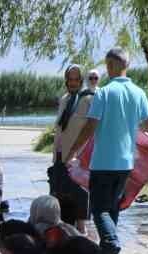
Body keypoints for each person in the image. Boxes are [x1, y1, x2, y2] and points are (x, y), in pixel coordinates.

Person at [64, 46, 148, 254]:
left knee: (99, 210)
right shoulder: (138, 93)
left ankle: (111, 242)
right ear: (127, 65)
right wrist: (127, 126)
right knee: (112, 209)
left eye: (107, 65)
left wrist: (73, 150)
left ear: (112, 65)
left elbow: (90, 126)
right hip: (126, 163)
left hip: (103, 162)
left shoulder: (104, 92)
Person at [50, 65, 94, 224]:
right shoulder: (64, 99)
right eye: (70, 79)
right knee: (60, 194)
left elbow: (93, 128)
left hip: (78, 156)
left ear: (81, 81)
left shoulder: (89, 99)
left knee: (79, 193)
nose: (73, 83)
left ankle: (82, 229)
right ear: (66, 80)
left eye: (77, 79)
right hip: (60, 155)